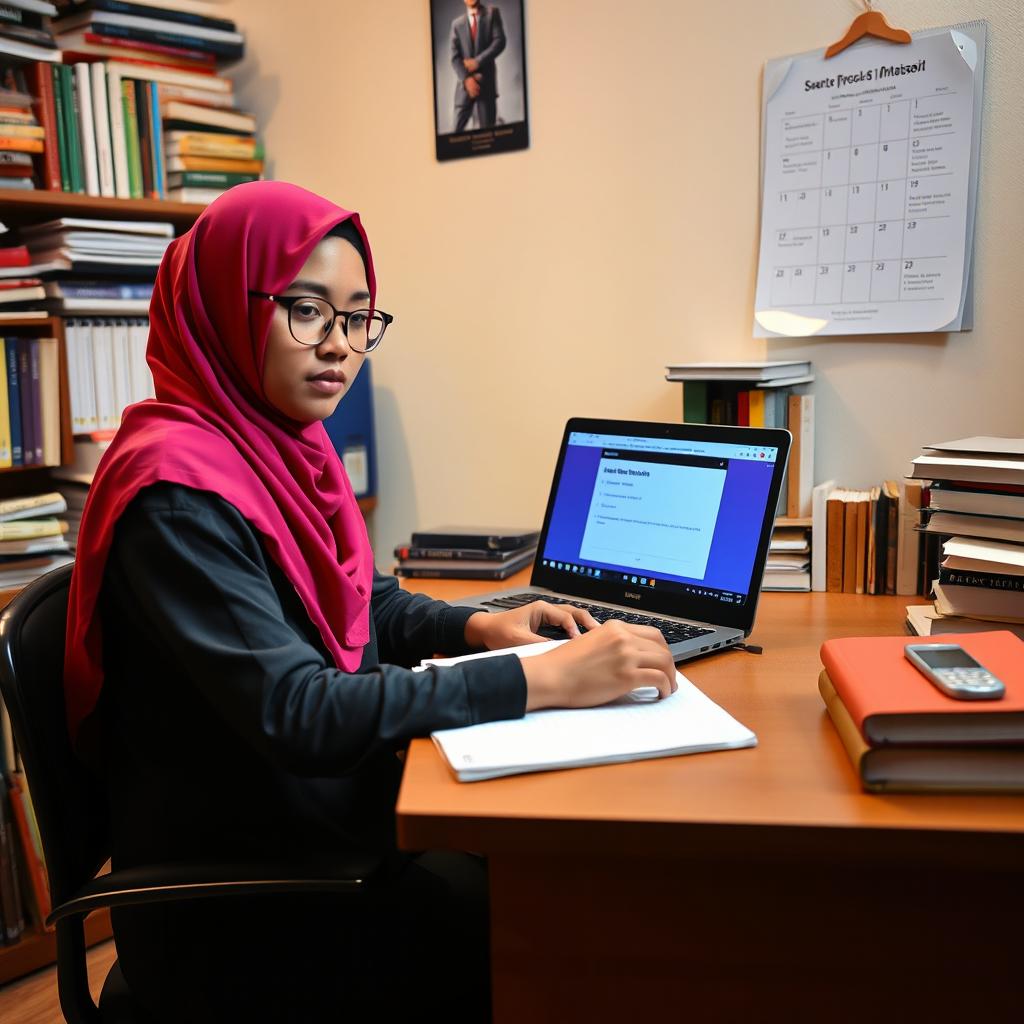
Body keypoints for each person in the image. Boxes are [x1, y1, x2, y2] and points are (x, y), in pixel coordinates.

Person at [63, 180, 676, 1023]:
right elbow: (298, 707)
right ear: (221, 303)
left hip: (320, 834)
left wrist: (478, 624)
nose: (340, 346)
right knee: (556, 928)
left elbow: (358, 603)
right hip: (242, 908)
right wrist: (541, 680)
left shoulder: (277, 446)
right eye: (307, 310)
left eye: (358, 318)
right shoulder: (179, 495)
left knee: (550, 881)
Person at [450, 0, 506, 132]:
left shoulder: (492, 14)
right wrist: (467, 79)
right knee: (453, 137)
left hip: (486, 86)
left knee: (488, 136)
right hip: (464, 89)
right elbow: (454, 58)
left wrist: (477, 62)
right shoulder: (456, 25)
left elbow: (500, 42)